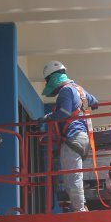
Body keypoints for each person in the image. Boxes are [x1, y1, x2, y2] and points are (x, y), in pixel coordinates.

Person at [36, 61, 99, 212]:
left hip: (72, 138)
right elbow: (94, 101)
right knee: (73, 175)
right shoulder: (79, 89)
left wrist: (47, 117)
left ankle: (80, 210)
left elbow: (64, 112)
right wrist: (91, 105)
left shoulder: (65, 91)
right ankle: (80, 207)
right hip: (83, 139)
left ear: (52, 78)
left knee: (72, 177)